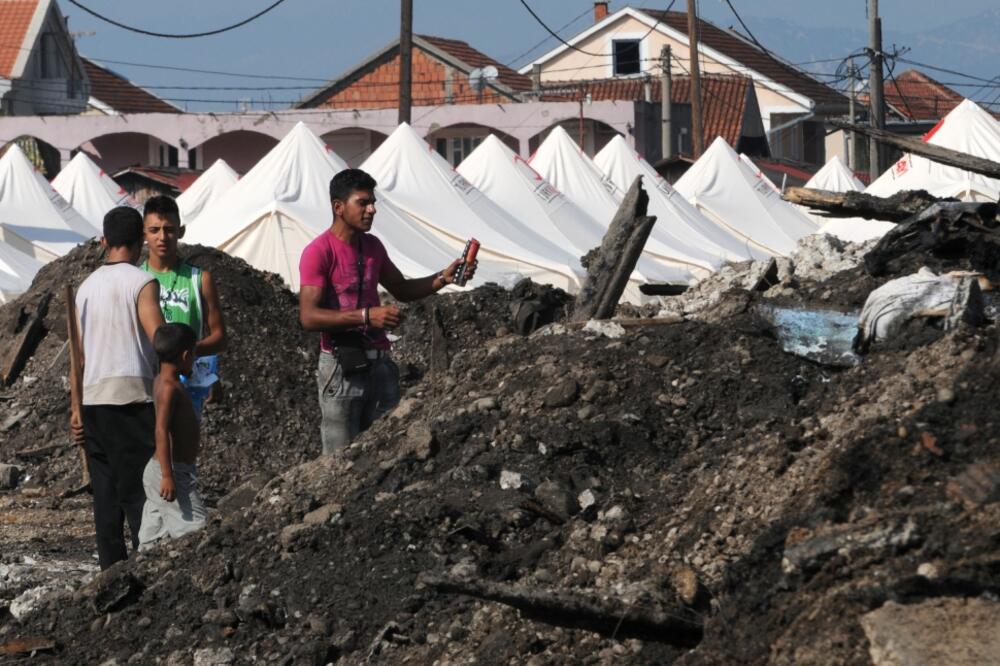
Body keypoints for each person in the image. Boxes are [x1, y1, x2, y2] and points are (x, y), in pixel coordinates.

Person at [299, 168, 477, 454]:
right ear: (338, 207)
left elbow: (402, 289)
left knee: (383, 453)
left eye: (373, 202)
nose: (372, 210)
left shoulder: (372, 247)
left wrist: (443, 277)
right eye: (363, 203)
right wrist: (368, 316)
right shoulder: (319, 252)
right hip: (340, 368)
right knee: (339, 460)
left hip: (380, 366)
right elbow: (308, 316)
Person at [71, 206, 165, 570]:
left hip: (93, 401)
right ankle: (146, 568)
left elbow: (77, 359)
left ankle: (111, 572)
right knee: (138, 493)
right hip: (131, 401)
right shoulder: (141, 283)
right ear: (140, 240)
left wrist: (75, 407)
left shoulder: (86, 288)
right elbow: (159, 339)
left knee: (106, 498)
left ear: (106, 241)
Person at [141, 195, 227, 419]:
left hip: (186, 385)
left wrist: (188, 355)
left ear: (181, 231)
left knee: (182, 452)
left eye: (169, 229)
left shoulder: (199, 279)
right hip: (145, 385)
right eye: (154, 229)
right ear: (144, 234)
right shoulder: (135, 279)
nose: (162, 237)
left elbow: (220, 336)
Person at [138, 323, 207, 547]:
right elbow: (161, 429)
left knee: (155, 530)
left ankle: (143, 563)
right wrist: (168, 475)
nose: (195, 360)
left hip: (159, 470)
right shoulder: (169, 387)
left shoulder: (163, 381)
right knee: (197, 528)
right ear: (186, 355)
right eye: (194, 355)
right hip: (170, 471)